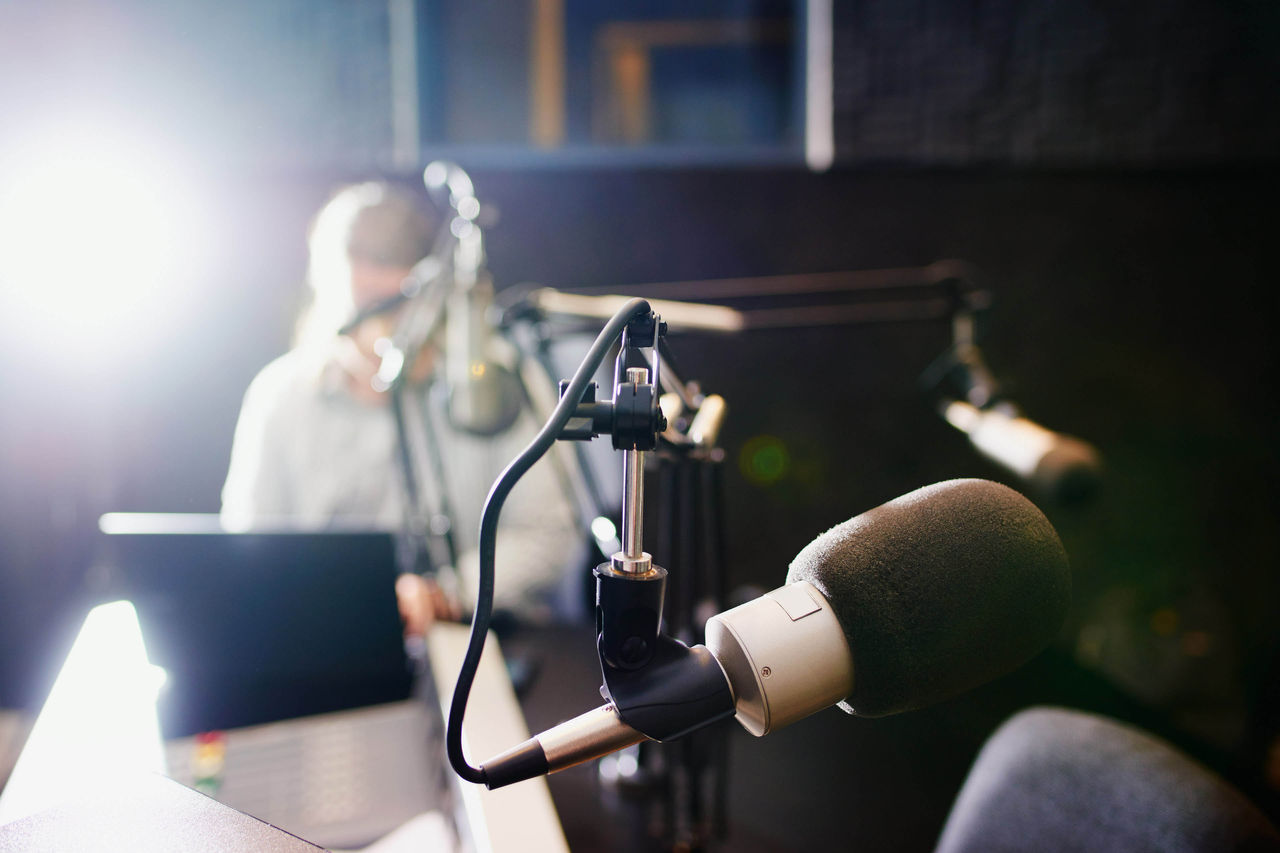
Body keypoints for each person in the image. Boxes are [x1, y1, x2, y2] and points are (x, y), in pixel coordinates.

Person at [221, 181, 582, 632]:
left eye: (392, 299)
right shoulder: (279, 395)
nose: (375, 320)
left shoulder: (499, 385)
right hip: (320, 635)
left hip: (477, 634)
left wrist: (444, 594)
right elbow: (248, 547)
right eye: (360, 297)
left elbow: (547, 532)